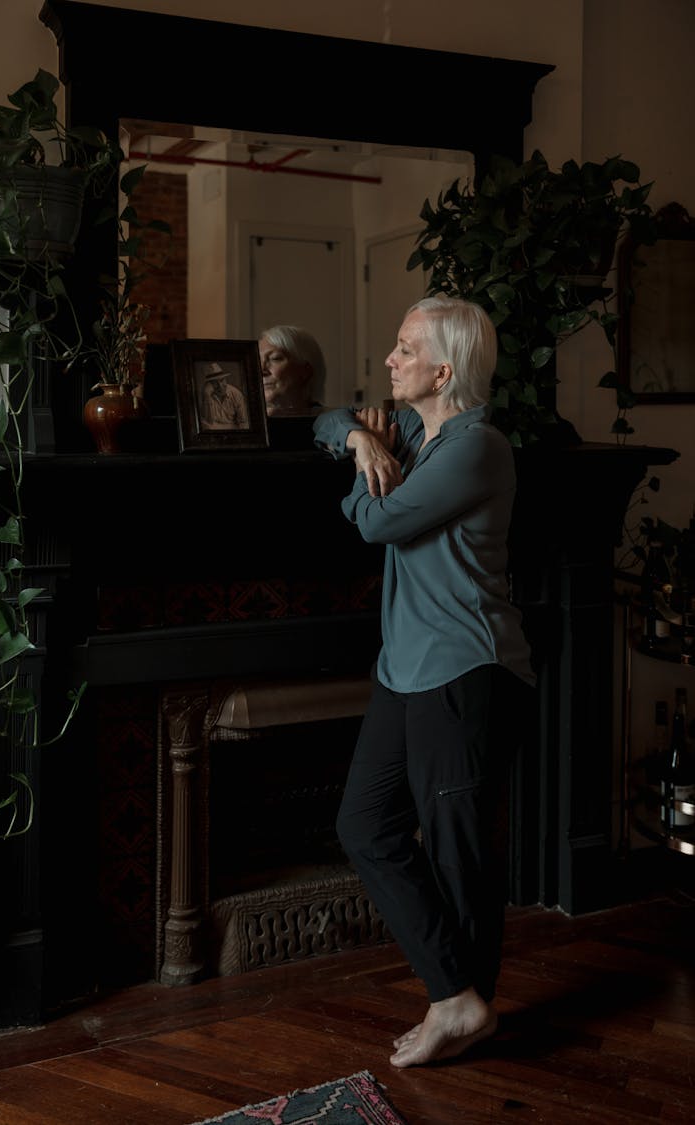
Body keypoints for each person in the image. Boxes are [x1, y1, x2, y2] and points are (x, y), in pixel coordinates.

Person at [312, 294, 536, 1069]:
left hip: (467, 669)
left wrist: (366, 469)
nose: (390, 360)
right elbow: (327, 415)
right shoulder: (414, 431)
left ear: (443, 369)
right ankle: (460, 997)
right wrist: (354, 438)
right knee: (364, 825)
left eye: (405, 349)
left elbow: (375, 523)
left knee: (456, 851)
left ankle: (462, 1003)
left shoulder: (478, 448)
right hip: (405, 668)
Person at [258, 325, 326, 416]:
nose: (261, 370)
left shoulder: (332, 423)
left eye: (275, 358)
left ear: (305, 371)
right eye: (257, 360)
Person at [200, 362, 248, 429]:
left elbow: (243, 422)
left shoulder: (236, 394)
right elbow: (207, 423)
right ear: (209, 385)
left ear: (226, 379)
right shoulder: (206, 395)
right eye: (215, 383)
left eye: (222, 380)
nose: (220, 386)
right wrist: (207, 396)